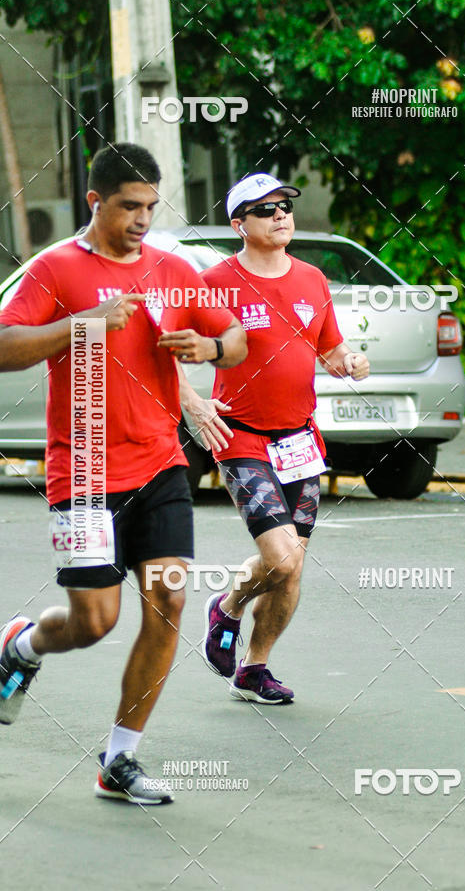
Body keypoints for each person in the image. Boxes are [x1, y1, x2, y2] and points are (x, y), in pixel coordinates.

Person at [0, 143, 247, 804]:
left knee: (168, 600)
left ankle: (120, 757)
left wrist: (211, 347)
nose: (141, 218)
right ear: (95, 201)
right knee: (93, 621)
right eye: (127, 206)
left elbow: (237, 337)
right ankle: (21, 645)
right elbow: (4, 346)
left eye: (149, 206)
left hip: (160, 462)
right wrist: (83, 323)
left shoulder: (172, 269)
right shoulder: (55, 269)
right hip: (80, 474)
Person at [198, 172, 369, 704]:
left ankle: (254, 669)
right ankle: (225, 608)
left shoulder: (313, 280)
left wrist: (349, 361)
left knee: (293, 569)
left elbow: (329, 348)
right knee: (282, 558)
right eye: (264, 209)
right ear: (238, 224)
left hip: (300, 441)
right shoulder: (214, 283)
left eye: (284, 207)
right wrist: (193, 401)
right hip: (242, 437)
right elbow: (168, 350)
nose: (279, 215)